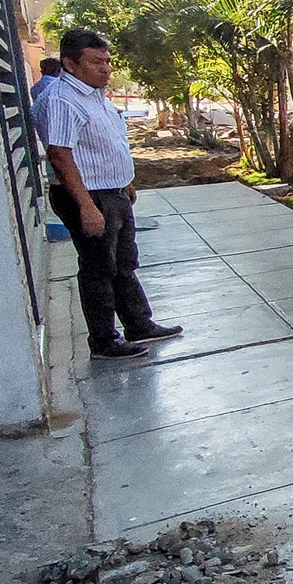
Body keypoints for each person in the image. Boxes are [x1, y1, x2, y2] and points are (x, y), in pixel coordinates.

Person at [33, 28, 182, 360]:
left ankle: (139, 325)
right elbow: (60, 154)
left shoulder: (94, 96)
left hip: (111, 193)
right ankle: (103, 341)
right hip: (88, 196)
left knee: (123, 264)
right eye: (96, 62)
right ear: (70, 64)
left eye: (108, 61)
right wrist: (86, 205)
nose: (106, 68)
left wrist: (125, 181)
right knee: (99, 269)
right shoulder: (61, 99)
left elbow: (104, 146)